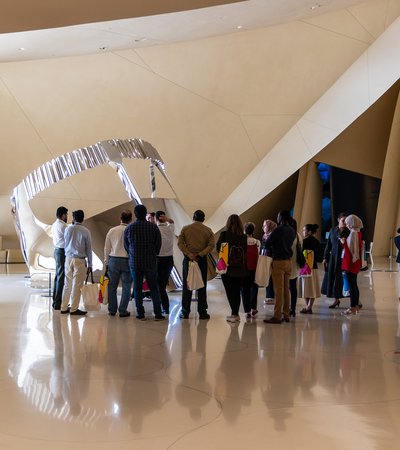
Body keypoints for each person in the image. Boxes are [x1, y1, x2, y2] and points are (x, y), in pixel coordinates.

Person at [124, 204, 165, 321]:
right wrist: (154, 254)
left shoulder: (129, 228)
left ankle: (140, 313)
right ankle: (157, 313)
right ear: (145, 213)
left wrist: (132, 254)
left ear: (135, 214)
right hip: (150, 262)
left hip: (135, 262)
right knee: (153, 287)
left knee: (137, 288)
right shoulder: (153, 228)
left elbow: (126, 245)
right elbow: (158, 244)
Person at [177, 209, 215, 319]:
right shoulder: (208, 230)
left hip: (188, 260)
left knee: (187, 285)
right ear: (203, 219)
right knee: (202, 285)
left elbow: (180, 243)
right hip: (201, 260)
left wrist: (189, 254)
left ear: (193, 217)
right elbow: (211, 245)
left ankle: (185, 312)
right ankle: (202, 312)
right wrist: (200, 254)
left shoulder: (185, 229)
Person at [263, 210, 296, 324]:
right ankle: (286, 314)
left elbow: (267, 244)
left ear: (281, 217)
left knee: (279, 290)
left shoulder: (278, 230)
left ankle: (277, 316)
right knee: (286, 289)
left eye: (277, 216)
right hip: (288, 261)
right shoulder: (292, 230)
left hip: (278, 261)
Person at [217, 214, 248, 323]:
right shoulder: (244, 237)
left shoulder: (224, 235)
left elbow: (218, 248)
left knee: (230, 292)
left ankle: (234, 313)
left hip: (227, 268)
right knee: (236, 291)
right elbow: (245, 250)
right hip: (240, 268)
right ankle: (235, 314)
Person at [60, 210, 92, 315]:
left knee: (67, 284)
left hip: (68, 258)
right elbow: (88, 249)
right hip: (79, 260)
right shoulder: (86, 231)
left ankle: (64, 307)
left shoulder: (68, 229)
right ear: (82, 218)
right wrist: (90, 264)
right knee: (77, 285)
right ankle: (74, 308)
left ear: (74, 218)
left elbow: (65, 243)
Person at [104, 209, 133, 317]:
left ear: (120, 219)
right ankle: (123, 310)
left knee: (112, 286)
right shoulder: (131, 230)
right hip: (127, 260)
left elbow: (107, 248)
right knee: (126, 286)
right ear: (130, 219)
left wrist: (106, 262)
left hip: (114, 260)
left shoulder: (112, 230)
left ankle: (112, 310)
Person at [321, 213, 349, 308]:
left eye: (346, 221)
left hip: (343, 258)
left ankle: (356, 300)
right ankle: (336, 299)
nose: (345, 223)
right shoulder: (333, 230)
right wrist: (325, 257)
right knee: (333, 278)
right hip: (333, 257)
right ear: (338, 220)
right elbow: (328, 244)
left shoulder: (348, 232)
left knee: (345, 280)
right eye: (343, 220)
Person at [341, 214, 363, 315]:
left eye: (348, 223)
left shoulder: (353, 233)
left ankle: (352, 307)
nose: (347, 225)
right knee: (354, 284)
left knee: (351, 285)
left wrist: (343, 242)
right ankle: (356, 306)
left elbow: (351, 250)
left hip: (350, 263)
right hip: (354, 263)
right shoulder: (357, 232)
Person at [298, 224, 321, 314]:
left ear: (310, 232)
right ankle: (309, 307)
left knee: (305, 287)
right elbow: (319, 256)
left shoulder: (304, 242)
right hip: (314, 267)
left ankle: (308, 307)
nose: (303, 232)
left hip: (304, 267)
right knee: (313, 288)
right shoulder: (316, 241)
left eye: (305, 230)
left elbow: (300, 255)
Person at [156, 210, 175, 315]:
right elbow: (171, 222)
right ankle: (165, 306)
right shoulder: (170, 228)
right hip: (169, 260)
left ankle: (164, 306)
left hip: (158, 259)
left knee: (160, 285)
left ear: (156, 218)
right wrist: (167, 219)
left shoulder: (155, 229)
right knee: (162, 284)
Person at [242, 222, 261, 319]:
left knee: (245, 289)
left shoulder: (242, 241)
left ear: (244, 230)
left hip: (244, 268)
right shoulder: (257, 242)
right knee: (254, 287)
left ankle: (247, 311)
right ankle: (253, 308)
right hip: (255, 267)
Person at [51, 206, 68, 310]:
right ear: (63, 215)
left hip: (56, 250)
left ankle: (55, 301)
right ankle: (58, 303)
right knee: (61, 277)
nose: (67, 216)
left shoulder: (54, 224)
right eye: (66, 214)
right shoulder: (64, 226)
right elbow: (69, 239)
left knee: (58, 276)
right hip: (62, 251)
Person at [288, 218, 302, 317]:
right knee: (293, 288)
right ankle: (292, 308)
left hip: (288, 263)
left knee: (286, 288)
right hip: (296, 264)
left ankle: (288, 308)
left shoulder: (289, 235)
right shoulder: (298, 235)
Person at [262, 219, 277, 304]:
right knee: (268, 277)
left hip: (272, 259)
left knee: (271, 278)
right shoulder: (265, 236)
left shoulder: (272, 236)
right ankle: (269, 295)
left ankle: (271, 297)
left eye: (265, 225)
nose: (263, 227)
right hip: (266, 258)